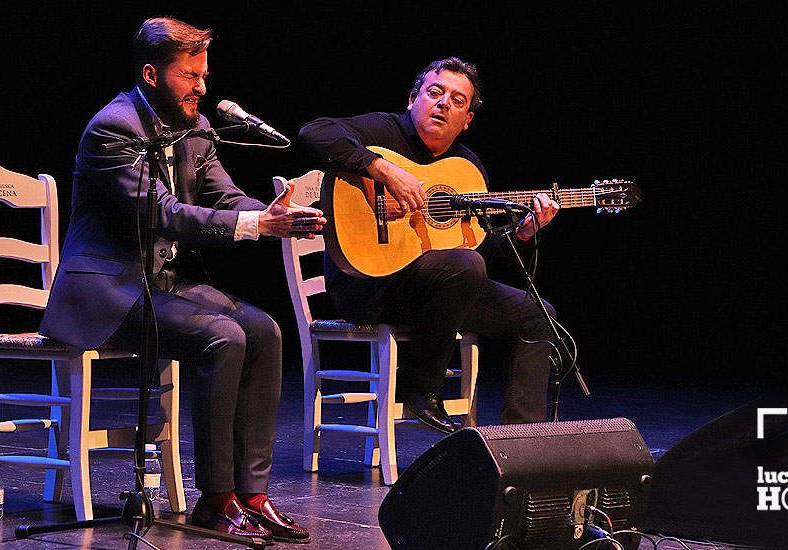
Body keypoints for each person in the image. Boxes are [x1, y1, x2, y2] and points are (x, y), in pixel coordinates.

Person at [40, 17, 323, 543]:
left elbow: (223, 198)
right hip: (107, 291)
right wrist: (257, 225)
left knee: (265, 329)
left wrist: (268, 214)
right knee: (224, 335)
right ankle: (214, 500)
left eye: (204, 75)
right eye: (189, 76)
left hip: (161, 284)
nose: (202, 88)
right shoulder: (113, 128)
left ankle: (251, 496)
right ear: (151, 74)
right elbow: (162, 213)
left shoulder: (195, 129)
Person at [297, 57, 563, 432]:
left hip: (438, 294)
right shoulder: (382, 132)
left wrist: (524, 230)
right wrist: (382, 169)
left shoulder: (467, 168)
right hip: (367, 284)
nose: (443, 104)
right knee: (464, 269)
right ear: (412, 98)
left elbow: (475, 248)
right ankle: (420, 388)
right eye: (435, 93)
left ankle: (523, 438)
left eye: (457, 100)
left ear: (468, 118)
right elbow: (313, 132)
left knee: (538, 313)